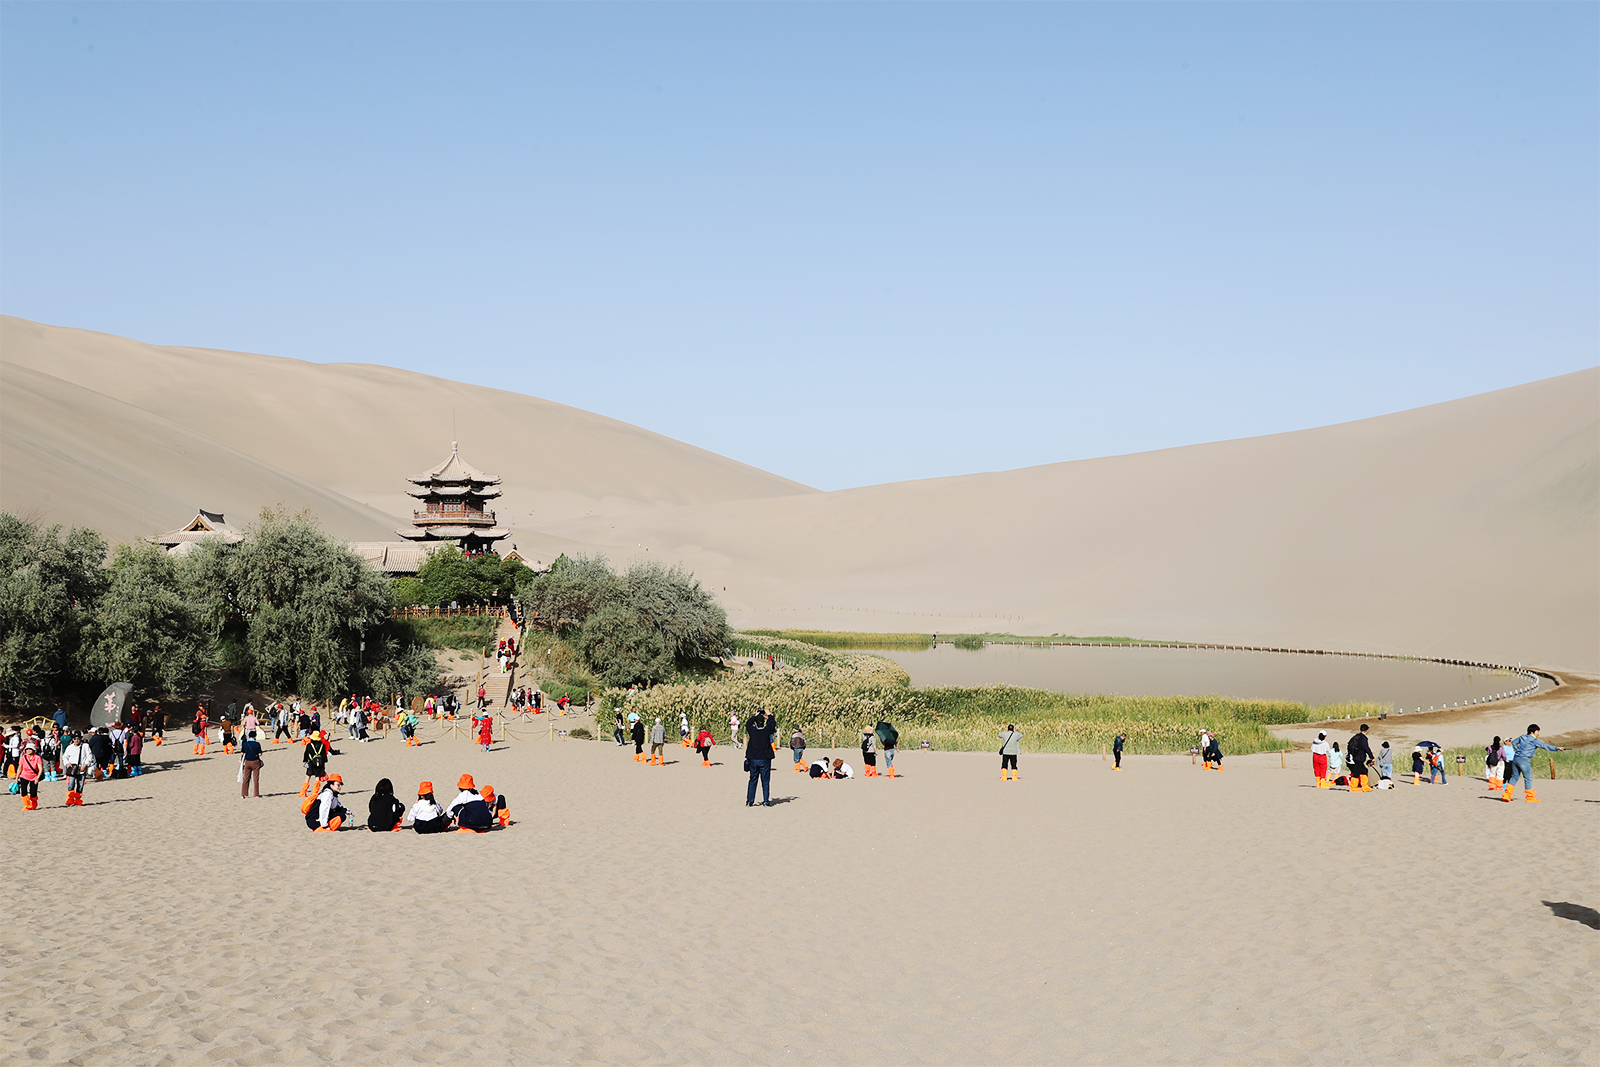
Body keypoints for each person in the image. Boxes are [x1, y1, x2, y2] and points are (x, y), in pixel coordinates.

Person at [1503, 724, 1563, 803]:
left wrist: (1518, 750)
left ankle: (1506, 795)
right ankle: (1530, 797)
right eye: (1537, 732)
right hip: (1524, 760)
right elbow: (1544, 746)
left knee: (1514, 777)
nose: (1538, 733)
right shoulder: (1534, 741)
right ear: (1532, 732)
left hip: (1516, 758)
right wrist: (1557, 748)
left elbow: (1513, 743)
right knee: (1528, 779)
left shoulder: (1522, 737)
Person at [745, 709, 777, 806]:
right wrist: (769, 715)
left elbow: (747, 724)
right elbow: (772, 724)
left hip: (753, 758)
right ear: (763, 722)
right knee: (765, 781)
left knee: (752, 780)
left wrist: (755, 716)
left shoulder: (752, 731)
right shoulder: (766, 731)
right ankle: (766, 801)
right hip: (765, 759)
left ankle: (750, 801)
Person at [62, 731, 91, 806]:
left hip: (81, 769)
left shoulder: (85, 746)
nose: (76, 740)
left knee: (80, 785)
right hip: (72, 769)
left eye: (78, 738)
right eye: (75, 738)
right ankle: (70, 800)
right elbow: (64, 756)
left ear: (81, 739)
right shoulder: (70, 747)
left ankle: (78, 800)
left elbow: (89, 756)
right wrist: (67, 763)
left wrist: (85, 765)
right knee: (71, 785)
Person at [301, 732, 329, 798]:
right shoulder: (322, 745)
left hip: (311, 763)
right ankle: (315, 792)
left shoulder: (309, 745)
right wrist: (324, 761)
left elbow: (306, 754)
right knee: (317, 778)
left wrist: (305, 760)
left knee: (308, 777)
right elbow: (324, 755)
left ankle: (303, 792)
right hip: (320, 763)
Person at [16, 740, 43, 811]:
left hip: (34, 777)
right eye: (27, 749)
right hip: (24, 776)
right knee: (23, 791)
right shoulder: (23, 758)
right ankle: (27, 805)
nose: (28, 750)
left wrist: (37, 778)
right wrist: (16, 778)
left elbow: (40, 769)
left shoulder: (37, 758)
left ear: (34, 750)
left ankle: (33, 804)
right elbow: (19, 768)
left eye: (30, 749)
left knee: (33, 792)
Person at [1347, 724, 1374, 792]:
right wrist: (1371, 756)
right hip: (1360, 757)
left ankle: (1364, 786)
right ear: (1366, 730)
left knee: (1364, 771)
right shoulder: (1363, 738)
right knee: (1357, 772)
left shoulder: (1356, 736)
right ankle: (1353, 787)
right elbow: (1366, 748)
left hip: (1355, 756)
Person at [239, 730, 263, 798]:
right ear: (255, 736)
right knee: (256, 779)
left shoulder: (245, 744)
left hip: (247, 761)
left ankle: (243, 794)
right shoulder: (257, 744)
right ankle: (256, 794)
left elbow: (242, 753)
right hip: (255, 761)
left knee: (246, 778)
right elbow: (260, 754)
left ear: (249, 736)